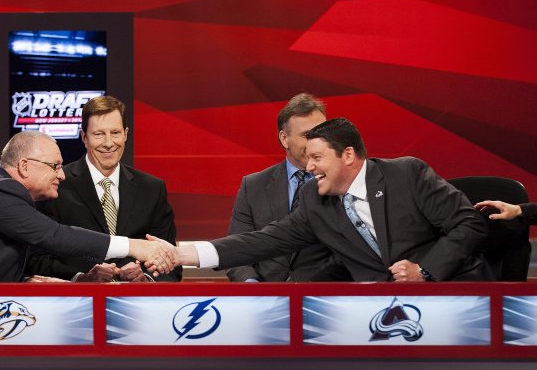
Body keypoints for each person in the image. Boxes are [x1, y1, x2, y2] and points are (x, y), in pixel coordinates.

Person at [163, 118, 495, 282]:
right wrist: (185, 254)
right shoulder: (315, 200)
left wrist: (425, 270)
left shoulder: (406, 174)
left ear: (348, 155)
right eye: (307, 158)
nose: (309, 167)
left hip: (456, 291)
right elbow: (263, 241)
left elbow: (468, 223)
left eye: (317, 158)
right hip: (380, 314)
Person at [0, 131, 175, 282]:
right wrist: (135, 246)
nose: (62, 174)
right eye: (54, 166)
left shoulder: (12, 197)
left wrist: (73, 281)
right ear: (25, 166)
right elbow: (55, 237)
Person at [26, 95, 181, 282]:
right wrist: (82, 278)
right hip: (77, 302)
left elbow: (171, 262)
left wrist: (146, 279)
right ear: (84, 137)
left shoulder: (152, 189)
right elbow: (35, 259)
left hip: (137, 304)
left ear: (125, 134)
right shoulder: (55, 185)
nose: (108, 143)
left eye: (115, 133)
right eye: (99, 134)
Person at [226, 93, 350, 282]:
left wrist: (301, 287)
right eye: (307, 135)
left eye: (322, 134)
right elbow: (237, 251)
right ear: (284, 138)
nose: (316, 143)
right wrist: (252, 287)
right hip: (265, 299)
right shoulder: (252, 187)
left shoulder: (341, 183)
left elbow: (351, 250)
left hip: (323, 294)